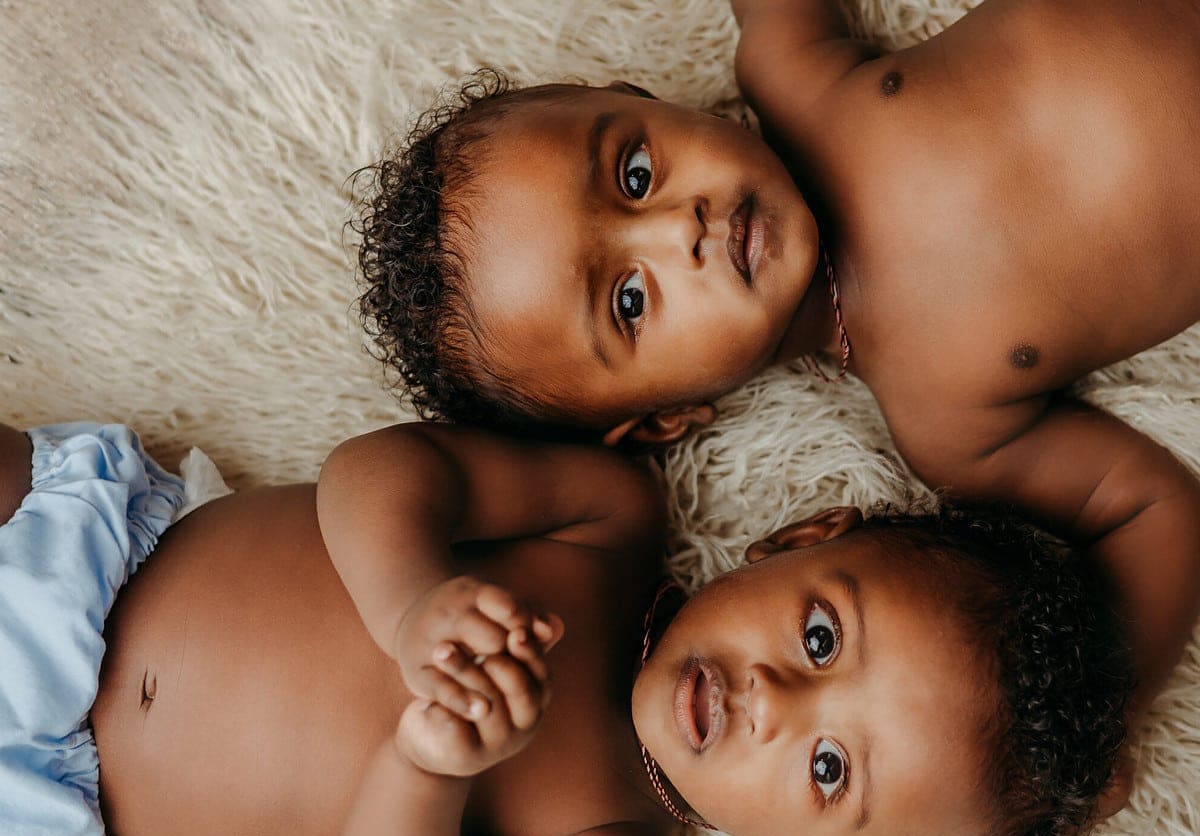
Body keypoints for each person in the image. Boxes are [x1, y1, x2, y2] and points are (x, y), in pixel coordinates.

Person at [352, 0, 1200, 731]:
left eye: (635, 171)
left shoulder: (799, 80)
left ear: (639, 99)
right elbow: (1145, 510)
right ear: (663, 420)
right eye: (631, 303)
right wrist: (1106, 722)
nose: (678, 227)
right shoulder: (949, 422)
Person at [0, 419, 1133, 836]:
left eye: (828, 767)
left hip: (49, 789)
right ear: (798, 538)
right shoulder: (605, 519)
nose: (776, 698)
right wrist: (413, 603)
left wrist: (426, 769)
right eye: (823, 634)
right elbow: (379, 471)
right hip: (88, 552)